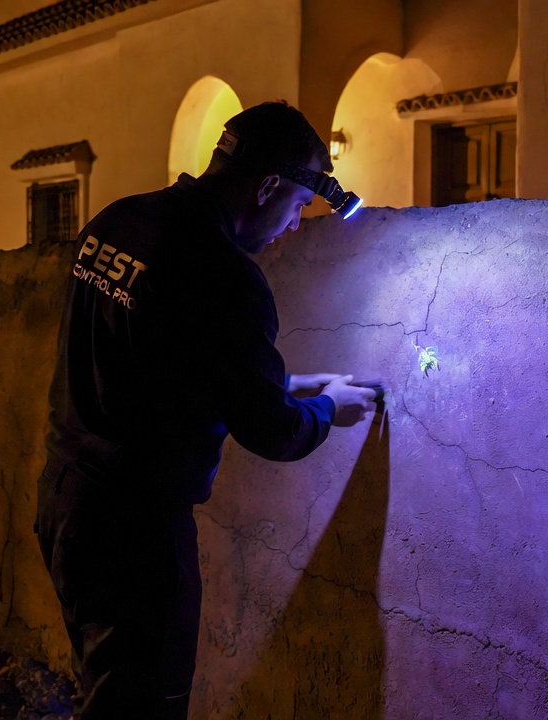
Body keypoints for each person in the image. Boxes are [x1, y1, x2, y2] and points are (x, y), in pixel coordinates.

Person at [37, 101, 378, 719]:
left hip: (66, 501)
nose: (297, 226)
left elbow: (174, 363)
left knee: (105, 689)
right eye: (300, 207)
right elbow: (272, 432)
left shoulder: (121, 221)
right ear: (268, 186)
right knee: (143, 706)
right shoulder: (223, 276)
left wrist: (295, 382)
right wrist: (327, 410)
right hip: (135, 531)